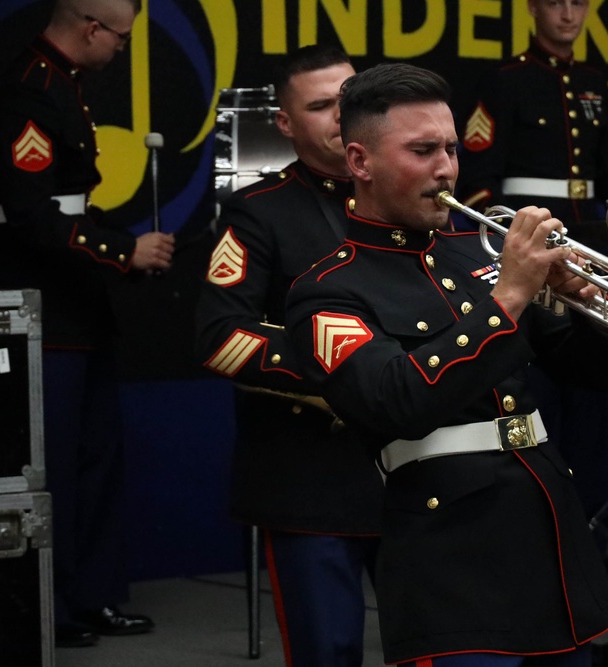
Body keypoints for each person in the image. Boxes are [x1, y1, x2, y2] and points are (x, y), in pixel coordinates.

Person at [284, 62, 608, 667]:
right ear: (360, 162)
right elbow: (395, 400)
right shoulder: (327, 290)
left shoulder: (476, 254)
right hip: (450, 558)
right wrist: (509, 300)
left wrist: (580, 300)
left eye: (450, 148)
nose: (446, 167)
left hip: (548, 534)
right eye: (422, 151)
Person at [0, 0, 174, 649]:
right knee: (56, 462)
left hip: (77, 297)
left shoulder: (63, 82)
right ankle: (52, 602)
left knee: (97, 454)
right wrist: (124, 251)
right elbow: (31, 215)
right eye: (120, 38)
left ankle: (92, 595)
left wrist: (116, 253)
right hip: (36, 302)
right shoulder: (27, 89)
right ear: (91, 27)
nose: (121, 49)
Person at [193, 46, 384, 667]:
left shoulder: (412, 196)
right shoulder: (258, 213)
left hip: (417, 472)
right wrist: (344, 368)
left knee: (438, 645)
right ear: (284, 124)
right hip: (310, 475)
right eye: (321, 105)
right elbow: (222, 339)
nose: (342, 115)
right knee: (327, 652)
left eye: (351, 97)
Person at [455, 0, 608, 586]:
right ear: (533, 9)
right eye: (555, 1)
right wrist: (518, 252)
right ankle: (537, 538)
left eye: (578, 2)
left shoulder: (595, 84)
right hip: (529, 263)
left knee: (593, 412)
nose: (567, 12)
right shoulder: (504, 80)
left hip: (588, 259)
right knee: (539, 405)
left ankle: (586, 533)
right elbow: (480, 189)